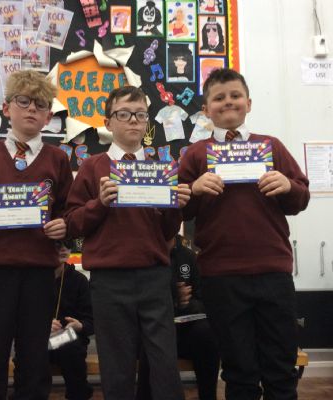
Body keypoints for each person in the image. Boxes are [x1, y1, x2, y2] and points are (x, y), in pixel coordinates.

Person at [178, 68, 310, 400]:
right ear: (206, 110)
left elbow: (301, 198)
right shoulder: (195, 154)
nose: (228, 102)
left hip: (273, 272)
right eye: (219, 98)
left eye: (235, 96)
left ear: (248, 103)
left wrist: (288, 185)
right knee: (239, 372)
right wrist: (193, 189)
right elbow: (177, 210)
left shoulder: (271, 146)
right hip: (221, 277)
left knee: (281, 369)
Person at [65, 86, 191, 400]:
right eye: (123, 114)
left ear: (146, 121)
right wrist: (99, 203)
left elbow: (166, 231)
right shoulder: (92, 167)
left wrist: (175, 208)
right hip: (110, 280)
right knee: (116, 365)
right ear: (108, 122)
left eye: (140, 114)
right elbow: (72, 223)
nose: (133, 120)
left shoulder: (162, 168)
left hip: (154, 276)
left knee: (164, 363)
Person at [0, 69, 73, 400]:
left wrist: (64, 225)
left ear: (49, 116)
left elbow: (69, 208)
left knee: (34, 356)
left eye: (40, 104)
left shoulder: (58, 158)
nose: (32, 109)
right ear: (7, 108)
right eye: (23, 101)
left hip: (39, 271)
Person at [136, 234, 220, 400]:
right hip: (153, 328)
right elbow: (139, 299)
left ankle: (208, 396)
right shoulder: (145, 255)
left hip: (185, 328)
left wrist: (185, 304)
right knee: (152, 339)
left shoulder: (188, 256)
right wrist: (173, 299)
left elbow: (203, 299)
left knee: (207, 333)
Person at [48, 239, 94, 400]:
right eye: (58, 245)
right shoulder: (35, 280)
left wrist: (80, 325)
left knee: (69, 347)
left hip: (69, 339)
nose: (64, 249)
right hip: (39, 339)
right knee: (31, 352)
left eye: (67, 245)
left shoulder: (79, 280)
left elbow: (91, 320)